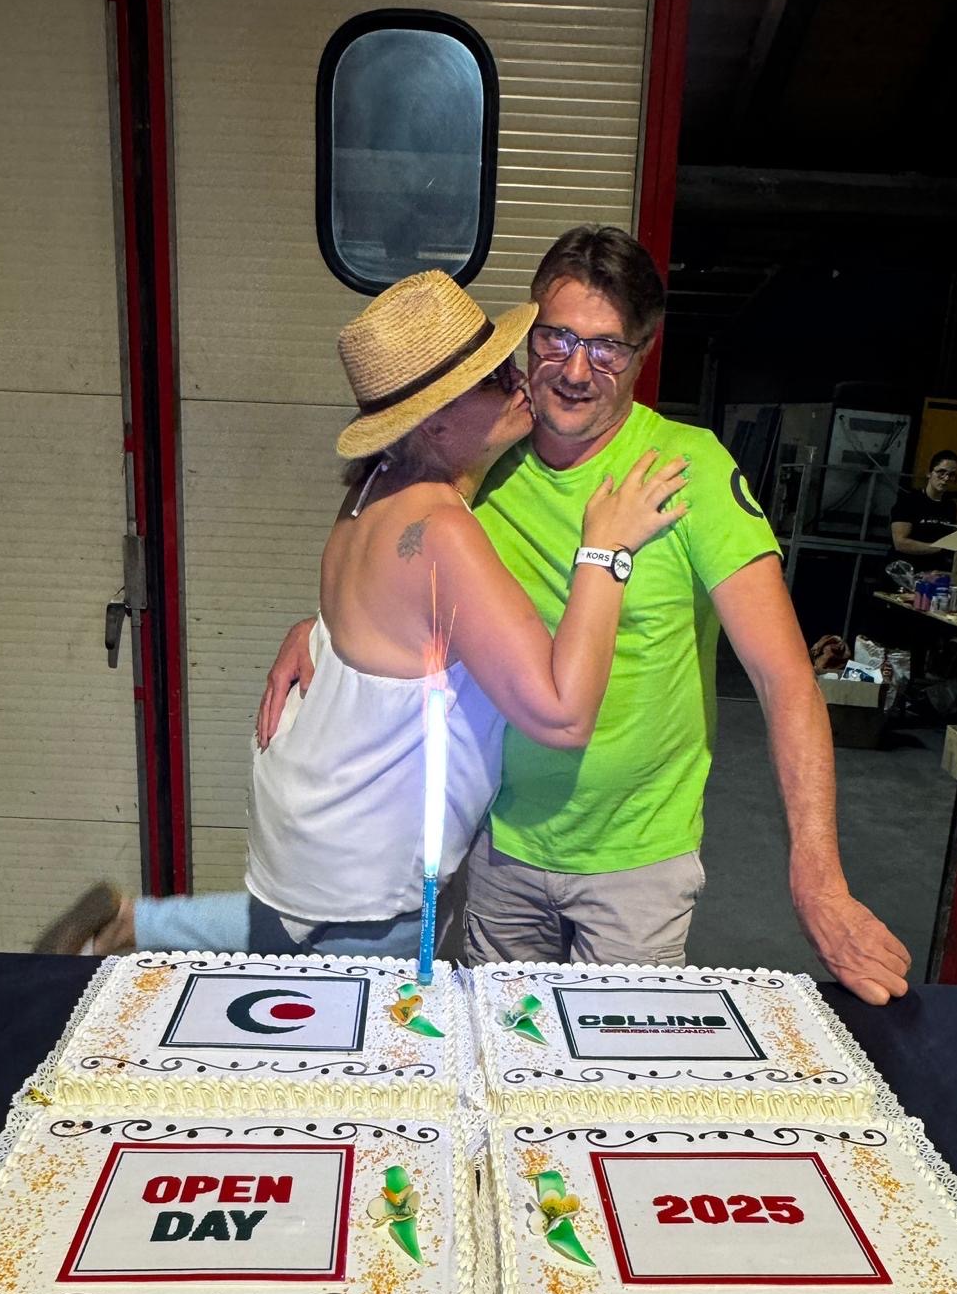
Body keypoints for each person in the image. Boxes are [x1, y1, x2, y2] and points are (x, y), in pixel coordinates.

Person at [260, 227, 910, 1005]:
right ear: (529, 334)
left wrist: (819, 877)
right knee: (509, 1053)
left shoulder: (688, 469)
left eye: (605, 348)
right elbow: (401, 559)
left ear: (643, 351)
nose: (574, 370)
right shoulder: (487, 456)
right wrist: (321, 630)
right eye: (557, 338)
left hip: (637, 867)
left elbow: (785, 679)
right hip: (499, 850)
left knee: (611, 1065)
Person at [35, 270, 687, 957]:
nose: (520, 382)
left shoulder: (373, 485)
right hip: (368, 856)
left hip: (315, 809)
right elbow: (562, 714)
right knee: (359, 1002)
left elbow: (381, 615)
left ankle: (136, 924)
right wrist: (606, 550)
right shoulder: (440, 529)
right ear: (435, 421)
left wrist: (306, 628)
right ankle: (138, 932)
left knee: (293, 933)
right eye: (494, 379)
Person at [889, 450, 957, 566]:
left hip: (934, 570)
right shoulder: (909, 501)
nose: (946, 478)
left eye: (951, 475)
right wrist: (940, 549)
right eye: (941, 472)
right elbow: (900, 543)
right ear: (929, 473)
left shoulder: (950, 506)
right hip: (906, 569)